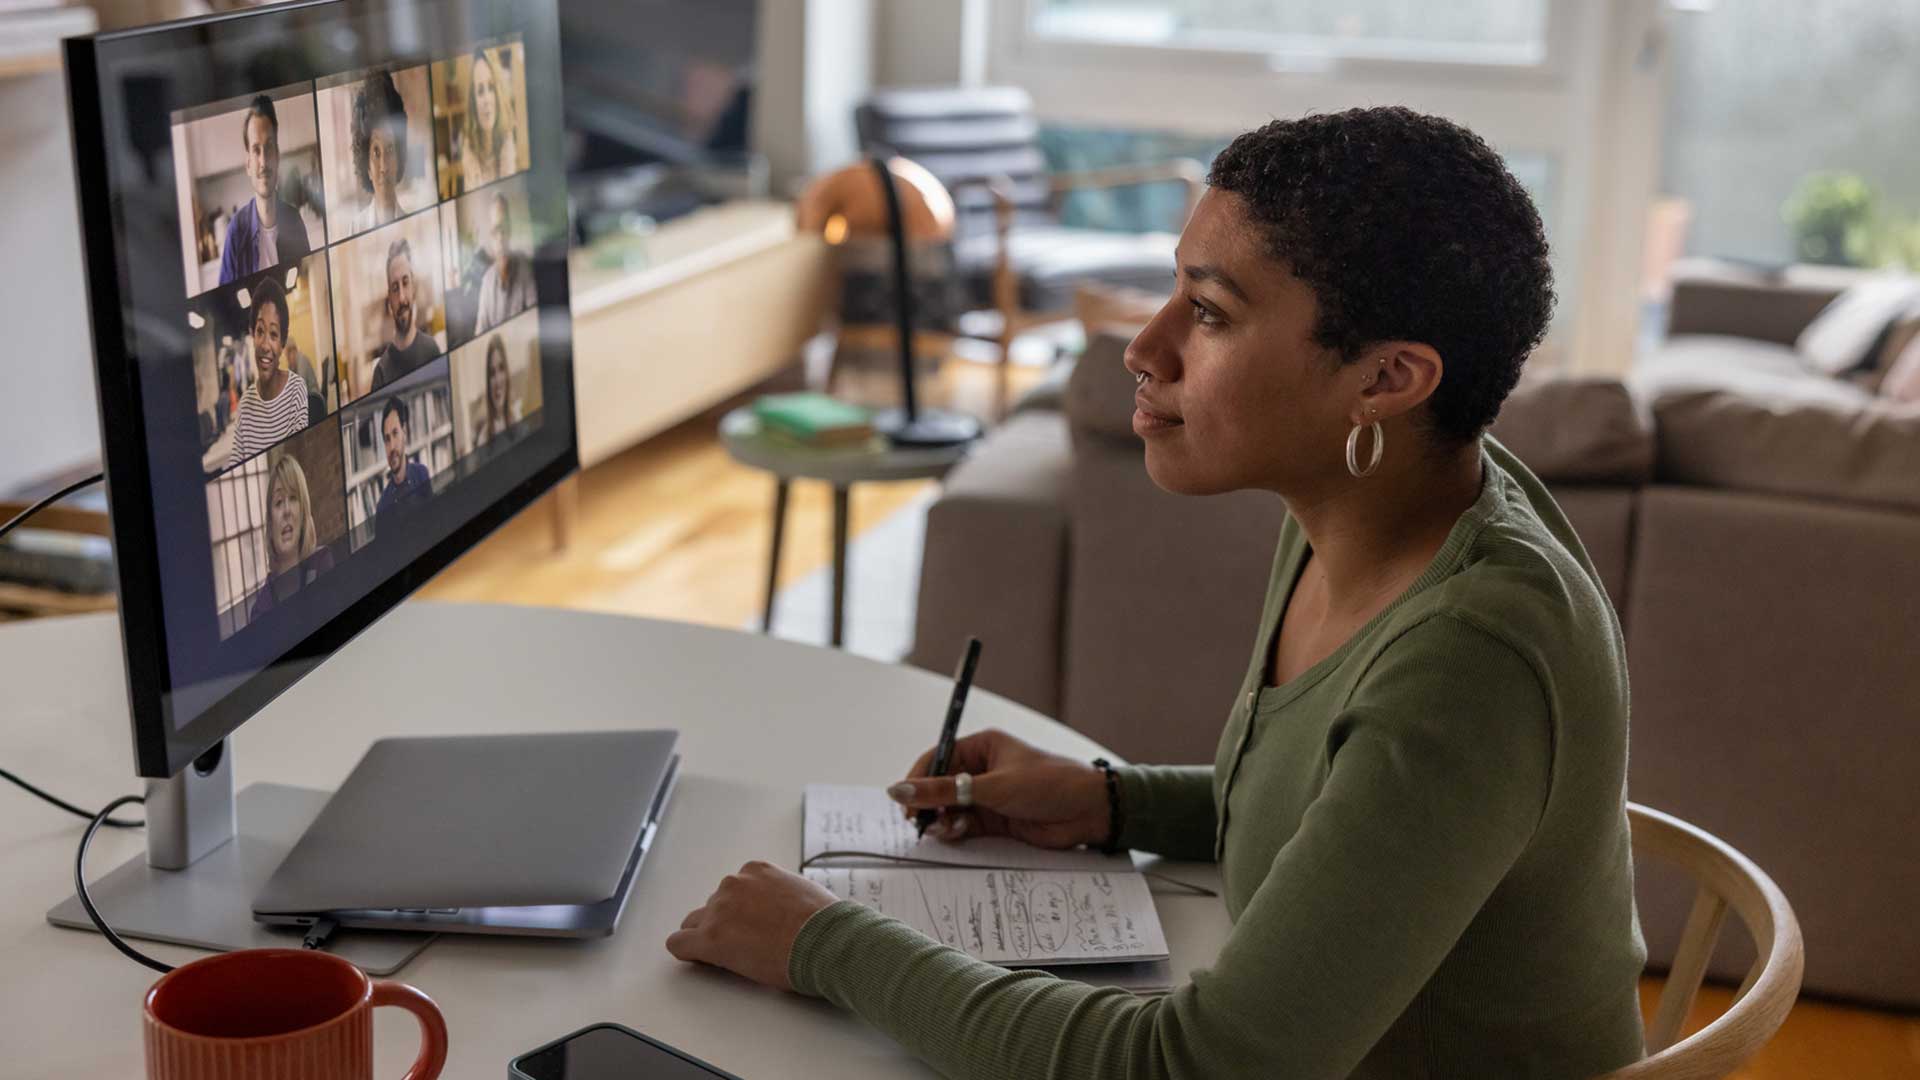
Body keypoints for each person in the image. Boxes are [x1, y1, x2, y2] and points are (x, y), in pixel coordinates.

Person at [664, 108, 1649, 1078]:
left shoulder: (1470, 658)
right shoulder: (1369, 501)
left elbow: (1201, 1067)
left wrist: (826, 943)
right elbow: (1341, 806)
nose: (1146, 347)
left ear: (1388, 379)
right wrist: (1108, 801)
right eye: (1175, 292)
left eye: (1211, 314)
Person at [218, 95, 313, 284]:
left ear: (277, 156)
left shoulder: (294, 220)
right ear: (248, 164)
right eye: (256, 150)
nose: (263, 162)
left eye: (269, 148)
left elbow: (308, 280)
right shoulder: (235, 232)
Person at [226, 278, 307, 468]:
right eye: (260, 331)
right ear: (252, 334)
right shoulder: (245, 405)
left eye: (274, 335)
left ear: (282, 344)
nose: (265, 345)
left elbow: (293, 461)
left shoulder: (296, 390)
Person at [247, 453, 335, 623]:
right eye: (279, 502)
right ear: (270, 523)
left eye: (293, 498)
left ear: (303, 512)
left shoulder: (322, 563)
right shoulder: (259, 612)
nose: (287, 510)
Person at [368, 238, 440, 391]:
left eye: (405, 283)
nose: (401, 297)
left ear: (413, 287)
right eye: (395, 288)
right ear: (389, 300)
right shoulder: (381, 373)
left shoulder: (431, 349)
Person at [351, 70, 412, 234]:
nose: (384, 166)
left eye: (391, 149)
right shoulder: (355, 229)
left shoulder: (412, 225)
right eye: (376, 152)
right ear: (367, 168)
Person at [473, 192, 536, 333]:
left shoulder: (526, 266)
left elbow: (534, 321)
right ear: (489, 235)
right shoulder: (487, 282)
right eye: (496, 230)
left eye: (504, 227)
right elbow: (480, 331)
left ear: (510, 229)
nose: (501, 237)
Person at [460, 47, 519, 190]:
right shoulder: (468, 147)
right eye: (480, 91)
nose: (487, 99)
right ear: (474, 102)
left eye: (491, 88)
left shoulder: (508, 138)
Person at [373, 396, 433, 534]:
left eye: (395, 433)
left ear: (404, 432)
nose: (392, 446)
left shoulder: (422, 474)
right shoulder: (383, 507)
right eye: (387, 439)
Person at [472, 334, 522, 451]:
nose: (498, 380)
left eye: (501, 368)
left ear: (507, 373)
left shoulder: (520, 419)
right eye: (492, 373)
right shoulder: (483, 439)